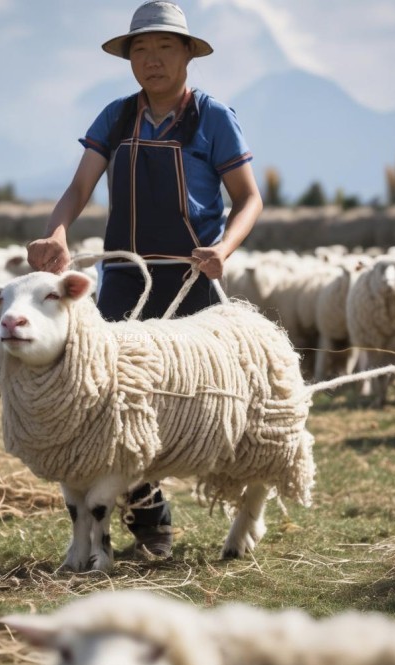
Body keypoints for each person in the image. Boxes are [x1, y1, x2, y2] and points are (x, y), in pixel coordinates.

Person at [27, 0, 263, 558]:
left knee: (192, 398)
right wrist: (57, 231)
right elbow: (80, 188)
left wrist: (224, 248)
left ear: (187, 53)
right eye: (140, 49)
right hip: (126, 280)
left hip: (190, 279)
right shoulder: (116, 116)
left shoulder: (213, 118)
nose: (151, 60)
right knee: (115, 404)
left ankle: (241, 501)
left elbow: (249, 198)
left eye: (164, 47)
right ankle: (151, 528)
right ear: (128, 57)